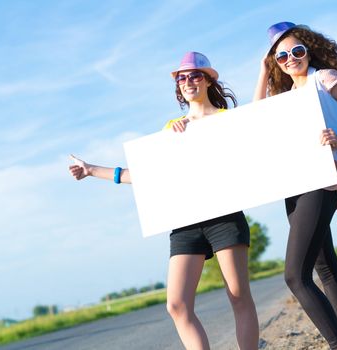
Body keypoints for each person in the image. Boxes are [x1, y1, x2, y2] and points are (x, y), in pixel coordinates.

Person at [69, 52, 259, 350]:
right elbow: (146, 174)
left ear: (209, 80)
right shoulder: (172, 128)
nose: (187, 82)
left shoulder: (228, 121)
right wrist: (91, 170)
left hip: (224, 218)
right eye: (182, 78)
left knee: (238, 295)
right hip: (184, 222)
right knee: (177, 305)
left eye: (195, 75)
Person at [253, 22, 337, 350]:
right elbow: (253, 120)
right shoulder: (284, 97)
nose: (291, 58)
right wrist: (263, 74)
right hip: (292, 188)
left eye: (297, 51)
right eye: (281, 57)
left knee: (295, 276)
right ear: (275, 63)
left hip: (320, 183)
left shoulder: (324, 79)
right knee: (326, 268)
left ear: (308, 50)